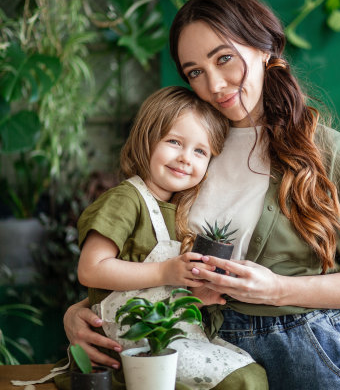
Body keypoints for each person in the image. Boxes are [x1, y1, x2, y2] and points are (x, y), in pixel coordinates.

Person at [64, 0, 340, 389]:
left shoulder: (328, 153)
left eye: (224, 58)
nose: (214, 84)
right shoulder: (193, 154)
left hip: (307, 354)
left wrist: (279, 289)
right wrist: (80, 312)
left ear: (265, 48)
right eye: (195, 72)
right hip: (205, 352)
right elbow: (144, 256)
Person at [69, 85, 268, 389]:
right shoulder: (126, 199)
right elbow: (91, 270)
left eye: (200, 151)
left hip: (164, 337)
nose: (186, 158)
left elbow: (152, 295)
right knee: (241, 380)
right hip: (132, 347)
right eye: (174, 142)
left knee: (250, 371)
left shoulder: (176, 211)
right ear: (146, 139)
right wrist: (165, 270)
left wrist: (197, 298)